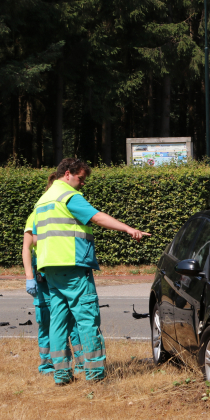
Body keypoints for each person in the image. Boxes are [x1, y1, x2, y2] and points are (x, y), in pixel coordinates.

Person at [33, 158, 151, 385]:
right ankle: (96, 375)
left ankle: (61, 375)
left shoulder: (43, 200)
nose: (82, 183)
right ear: (67, 174)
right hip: (73, 266)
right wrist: (128, 229)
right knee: (87, 319)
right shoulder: (68, 196)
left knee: (57, 321)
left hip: (50, 268)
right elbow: (97, 217)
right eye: (81, 178)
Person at [22, 173, 83, 375]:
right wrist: (30, 278)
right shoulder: (37, 213)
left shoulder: (66, 210)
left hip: (60, 267)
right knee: (47, 319)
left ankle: (80, 363)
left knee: (72, 319)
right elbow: (27, 247)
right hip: (43, 273)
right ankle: (49, 364)